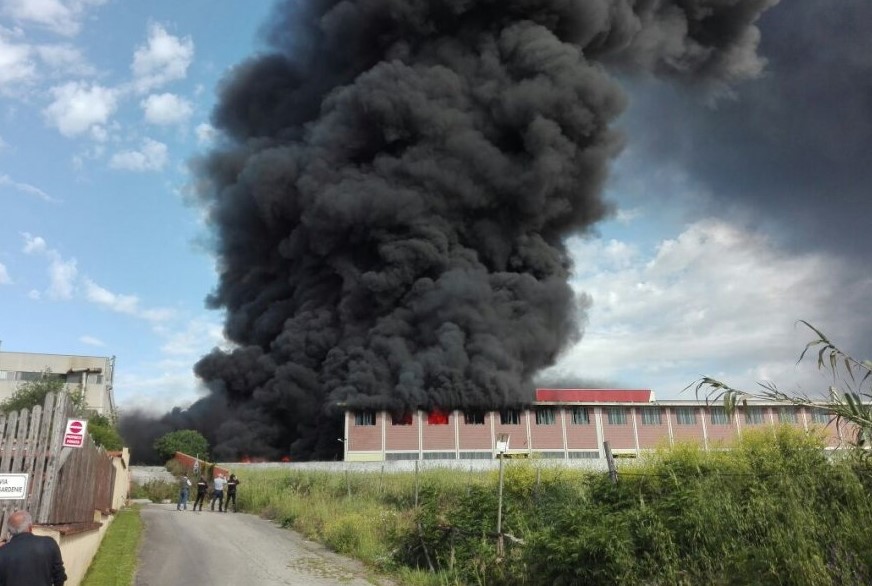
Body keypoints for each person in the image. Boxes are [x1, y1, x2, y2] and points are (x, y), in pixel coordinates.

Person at [0, 510, 67, 585]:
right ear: (30, 527)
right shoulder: (49, 543)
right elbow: (60, 576)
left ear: (10, 531)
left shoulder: (2, 552)